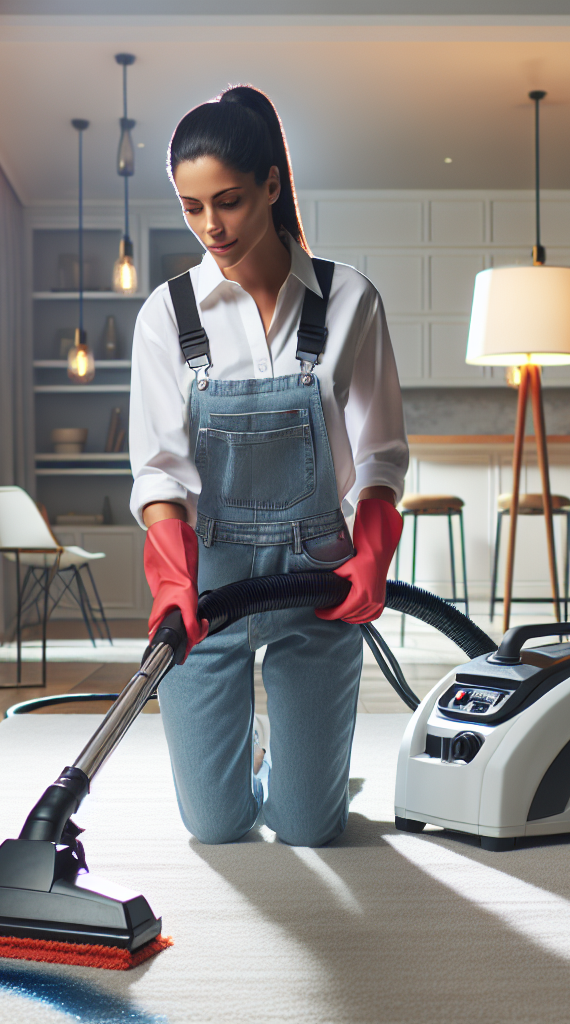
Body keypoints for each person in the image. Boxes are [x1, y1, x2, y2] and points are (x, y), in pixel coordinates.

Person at [129, 85, 408, 848]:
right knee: (216, 826)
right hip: (211, 584)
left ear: (273, 187)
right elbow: (160, 474)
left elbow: (381, 452)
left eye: (230, 201)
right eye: (191, 207)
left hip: (317, 578)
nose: (210, 227)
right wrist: (173, 583)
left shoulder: (350, 300)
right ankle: (247, 745)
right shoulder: (168, 316)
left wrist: (374, 552)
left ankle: (303, 773)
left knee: (310, 828)